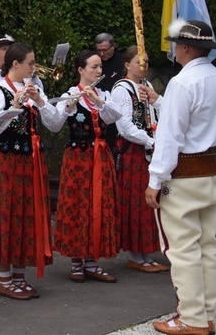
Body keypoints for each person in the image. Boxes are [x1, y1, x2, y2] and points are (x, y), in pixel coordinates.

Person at [146, 20, 216, 335]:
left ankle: (192, 318)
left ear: (183, 47)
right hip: (210, 170)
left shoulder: (182, 83)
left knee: (183, 249)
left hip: (182, 176)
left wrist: (155, 180)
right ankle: (205, 314)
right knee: (208, 244)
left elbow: (170, 137)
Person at [0, 43, 64, 299]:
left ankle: (19, 275)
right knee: (7, 216)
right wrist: (13, 108)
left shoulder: (32, 88)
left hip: (29, 163)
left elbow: (55, 124)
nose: (33, 68)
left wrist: (40, 101)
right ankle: (4, 280)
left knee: (25, 216)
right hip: (7, 162)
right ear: (15, 64)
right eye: (30, 63)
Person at [54, 49, 122, 283]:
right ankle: (76, 261)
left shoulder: (103, 93)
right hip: (78, 158)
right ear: (81, 70)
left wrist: (98, 101)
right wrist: (70, 104)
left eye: (100, 67)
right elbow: (54, 123)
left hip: (100, 156)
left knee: (99, 205)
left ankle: (93, 261)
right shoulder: (70, 93)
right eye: (93, 67)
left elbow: (115, 116)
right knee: (77, 205)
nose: (98, 71)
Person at [109, 46, 168, 274]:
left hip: (149, 151)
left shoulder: (148, 86)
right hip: (134, 152)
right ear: (127, 65)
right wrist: (149, 140)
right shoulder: (122, 89)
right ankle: (135, 254)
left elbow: (155, 115)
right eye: (138, 62)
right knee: (135, 201)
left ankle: (145, 252)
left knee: (148, 203)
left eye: (146, 62)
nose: (143, 66)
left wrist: (157, 136)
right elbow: (124, 126)